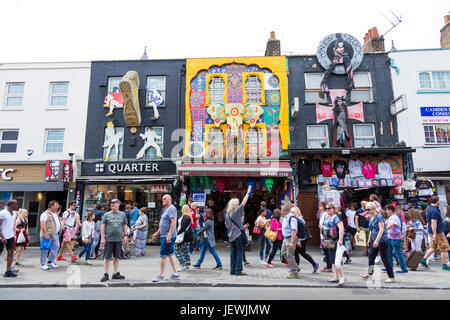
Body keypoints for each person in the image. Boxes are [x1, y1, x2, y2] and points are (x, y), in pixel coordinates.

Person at [362, 202, 395, 283]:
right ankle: (370, 273)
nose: (367, 211)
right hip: (374, 238)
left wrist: (377, 240)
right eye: (366, 209)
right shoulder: (371, 216)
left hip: (382, 240)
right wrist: (369, 239)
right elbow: (371, 229)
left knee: (384, 258)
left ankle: (391, 277)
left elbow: (381, 229)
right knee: (371, 256)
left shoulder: (379, 217)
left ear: (373, 209)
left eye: (368, 209)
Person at [151, 194, 180, 282]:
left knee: (163, 255)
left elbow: (173, 221)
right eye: (162, 199)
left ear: (169, 200)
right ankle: (175, 274)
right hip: (165, 235)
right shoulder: (167, 209)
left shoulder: (171, 208)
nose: (162, 200)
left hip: (167, 236)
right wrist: (157, 233)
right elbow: (164, 223)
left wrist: (169, 235)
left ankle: (161, 275)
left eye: (164, 199)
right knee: (170, 254)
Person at [225, 185, 252, 276]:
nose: (239, 204)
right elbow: (244, 202)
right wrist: (248, 192)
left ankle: (232, 270)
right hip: (237, 235)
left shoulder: (227, 214)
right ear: (235, 205)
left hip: (231, 235)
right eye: (238, 203)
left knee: (233, 252)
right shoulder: (236, 211)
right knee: (240, 252)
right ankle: (238, 270)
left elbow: (226, 225)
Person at [100, 199, 128, 282]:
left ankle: (115, 273)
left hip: (118, 239)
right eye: (111, 203)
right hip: (109, 239)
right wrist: (102, 237)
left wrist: (125, 236)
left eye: (114, 203)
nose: (112, 204)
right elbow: (102, 226)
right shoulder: (106, 215)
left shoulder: (122, 214)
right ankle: (105, 274)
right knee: (107, 257)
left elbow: (125, 225)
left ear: (118, 204)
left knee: (117, 257)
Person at [420, 196, 450, 271]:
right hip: (438, 232)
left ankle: (423, 260)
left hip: (432, 231)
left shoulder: (430, 208)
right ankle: (444, 265)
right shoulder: (434, 211)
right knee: (444, 247)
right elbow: (434, 223)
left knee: (433, 247)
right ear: (437, 201)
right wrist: (435, 233)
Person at [321, 203, 346, 285]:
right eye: (326, 208)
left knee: (337, 261)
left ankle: (342, 277)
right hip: (329, 241)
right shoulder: (327, 217)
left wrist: (340, 239)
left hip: (336, 241)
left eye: (329, 208)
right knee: (332, 260)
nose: (327, 210)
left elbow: (341, 228)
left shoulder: (336, 217)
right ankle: (336, 276)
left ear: (333, 209)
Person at [291, 206, 319, 273]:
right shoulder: (299, 219)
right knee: (302, 253)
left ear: (296, 212)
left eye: (292, 212)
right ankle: (314, 264)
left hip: (301, 239)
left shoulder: (298, 220)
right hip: (303, 239)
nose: (291, 213)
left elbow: (300, 232)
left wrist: (298, 240)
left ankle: (296, 269)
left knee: (296, 253)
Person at [39, 201, 62, 271]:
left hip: (55, 234)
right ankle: (43, 264)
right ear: (51, 206)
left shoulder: (55, 214)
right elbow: (42, 224)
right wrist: (46, 233)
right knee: (45, 249)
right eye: (56, 205)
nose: (58, 207)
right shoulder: (45, 214)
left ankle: (50, 261)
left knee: (56, 247)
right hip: (47, 235)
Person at [385, 204, 408, 274]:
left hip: (396, 238)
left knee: (399, 253)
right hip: (390, 237)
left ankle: (404, 268)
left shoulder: (394, 217)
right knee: (389, 252)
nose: (386, 212)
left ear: (390, 210)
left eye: (387, 210)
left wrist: (383, 230)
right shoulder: (392, 217)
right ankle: (389, 267)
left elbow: (392, 225)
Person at [0, 200, 19, 277]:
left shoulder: (14, 214)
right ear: (10, 205)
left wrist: (13, 234)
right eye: (15, 204)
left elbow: (12, 225)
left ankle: (8, 271)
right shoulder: (2, 213)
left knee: (11, 252)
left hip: (10, 236)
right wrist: (2, 236)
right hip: (2, 237)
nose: (16, 205)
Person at [280, 203, 299, 279]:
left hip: (290, 238)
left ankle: (294, 272)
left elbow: (294, 230)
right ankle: (295, 267)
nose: (281, 212)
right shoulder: (285, 217)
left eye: (282, 210)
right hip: (285, 238)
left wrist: (292, 242)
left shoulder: (292, 218)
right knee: (283, 253)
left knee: (289, 255)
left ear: (286, 211)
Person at [175, 205, 193, 271]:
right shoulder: (188, 216)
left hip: (183, 236)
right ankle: (187, 265)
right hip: (186, 236)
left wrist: (177, 234)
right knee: (185, 250)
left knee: (177, 250)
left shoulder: (186, 216)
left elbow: (183, 227)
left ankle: (182, 264)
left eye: (182, 208)